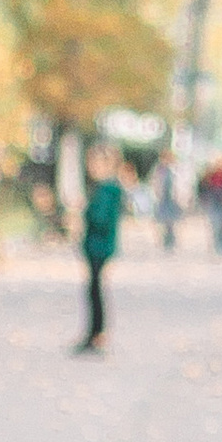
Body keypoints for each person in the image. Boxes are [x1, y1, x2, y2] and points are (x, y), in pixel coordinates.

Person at [77, 144, 123, 353]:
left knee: (94, 291)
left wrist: (83, 212)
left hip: (99, 245)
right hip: (98, 245)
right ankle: (95, 333)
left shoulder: (107, 189)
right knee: (93, 290)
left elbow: (100, 218)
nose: (91, 167)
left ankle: (96, 334)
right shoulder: (107, 188)